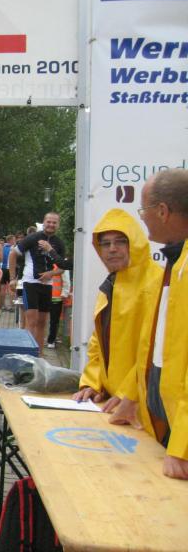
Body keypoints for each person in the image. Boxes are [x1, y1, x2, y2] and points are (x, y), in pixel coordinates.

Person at [71, 210, 162, 417]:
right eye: (105, 243)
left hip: (145, 407)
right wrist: (92, 383)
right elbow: (98, 343)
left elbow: (155, 350)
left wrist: (129, 394)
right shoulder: (112, 284)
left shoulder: (156, 283)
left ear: (135, 242)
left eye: (121, 241)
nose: (112, 249)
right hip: (112, 403)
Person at [131, 169, 188, 480]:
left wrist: (182, 446)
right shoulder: (176, 262)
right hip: (167, 423)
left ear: (163, 211)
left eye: (144, 210)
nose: (142, 217)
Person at [9, 213, 67, 350]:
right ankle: (28, 354)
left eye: (54, 222)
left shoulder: (59, 243)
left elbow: (62, 267)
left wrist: (50, 273)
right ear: (44, 222)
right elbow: (13, 254)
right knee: (32, 321)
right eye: (49, 222)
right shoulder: (33, 238)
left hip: (47, 285)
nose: (51, 225)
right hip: (30, 283)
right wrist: (12, 279)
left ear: (58, 225)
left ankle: (39, 355)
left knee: (42, 323)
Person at [45, 267, 70, 349]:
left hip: (56, 297)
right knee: (47, 319)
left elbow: (66, 280)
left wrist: (64, 293)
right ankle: (47, 339)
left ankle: (51, 340)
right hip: (45, 296)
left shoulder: (60, 265)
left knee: (54, 320)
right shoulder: (44, 263)